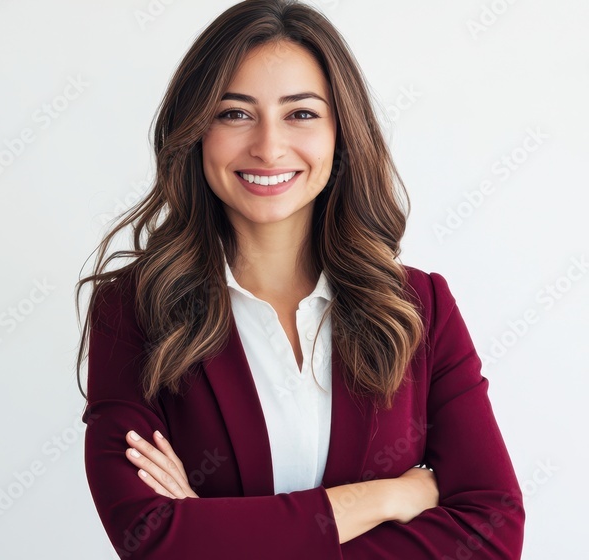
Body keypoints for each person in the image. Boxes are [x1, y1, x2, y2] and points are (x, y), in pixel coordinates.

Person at [73, 1, 525, 558]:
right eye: (234, 113)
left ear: (342, 132)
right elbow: (153, 539)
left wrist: (219, 533)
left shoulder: (419, 306)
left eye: (301, 114)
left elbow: (493, 535)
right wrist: (380, 498)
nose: (267, 146)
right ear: (195, 132)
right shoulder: (134, 310)